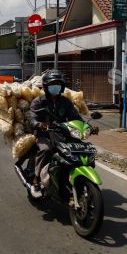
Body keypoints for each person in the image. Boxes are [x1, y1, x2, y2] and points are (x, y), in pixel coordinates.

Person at [25, 70, 83, 198]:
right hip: (44, 134)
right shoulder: (39, 101)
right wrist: (38, 124)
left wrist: (85, 126)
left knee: (77, 149)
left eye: (58, 83)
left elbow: (75, 117)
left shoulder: (65, 102)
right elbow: (31, 115)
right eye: (52, 83)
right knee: (46, 150)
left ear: (62, 86)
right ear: (46, 87)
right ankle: (36, 180)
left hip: (61, 134)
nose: (55, 86)